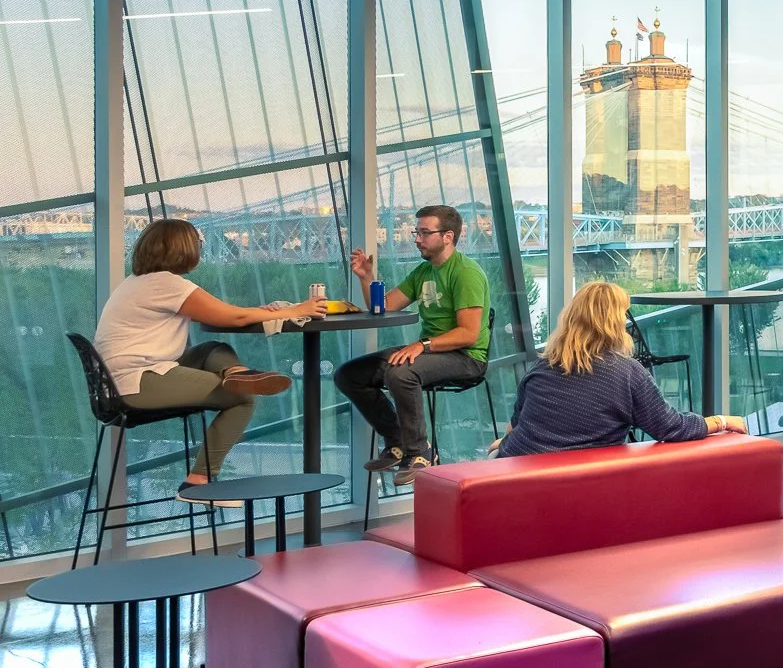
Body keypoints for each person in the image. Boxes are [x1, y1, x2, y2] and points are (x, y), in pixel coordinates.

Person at [93, 218, 326, 497]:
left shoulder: (137, 283)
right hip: (136, 384)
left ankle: (237, 374)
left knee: (212, 349)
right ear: (183, 248)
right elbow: (234, 316)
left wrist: (263, 312)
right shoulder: (167, 285)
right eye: (197, 244)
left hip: (126, 379)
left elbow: (226, 314)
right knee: (241, 399)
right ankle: (197, 479)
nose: (200, 250)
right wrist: (294, 310)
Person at [336, 204, 492, 485]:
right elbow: (381, 307)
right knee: (349, 375)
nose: (417, 239)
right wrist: (366, 277)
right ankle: (397, 442)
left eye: (424, 233)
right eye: (415, 232)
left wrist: (423, 345)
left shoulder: (466, 273)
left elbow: (469, 334)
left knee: (401, 371)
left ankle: (420, 453)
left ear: (447, 236)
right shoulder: (423, 272)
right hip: (432, 352)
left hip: (466, 357)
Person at [497, 281, 743, 456]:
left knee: (495, 449)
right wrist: (721, 421)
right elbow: (671, 426)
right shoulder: (626, 372)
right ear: (614, 323)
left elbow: (517, 425)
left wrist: (504, 445)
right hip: (580, 484)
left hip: (516, 469)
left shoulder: (543, 366)